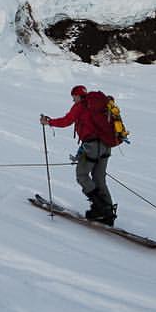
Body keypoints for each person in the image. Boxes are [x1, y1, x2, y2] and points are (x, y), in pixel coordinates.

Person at [40, 85, 117, 225]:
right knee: (99, 178)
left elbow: (66, 121)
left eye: (73, 97)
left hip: (92, 146)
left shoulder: (81, 106)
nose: (73, 100)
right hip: (107, 146)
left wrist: (49, 122)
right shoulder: (98, 106)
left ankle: (101, 209)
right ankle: (109, 213)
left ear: (77, 95)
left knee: (82, 175)